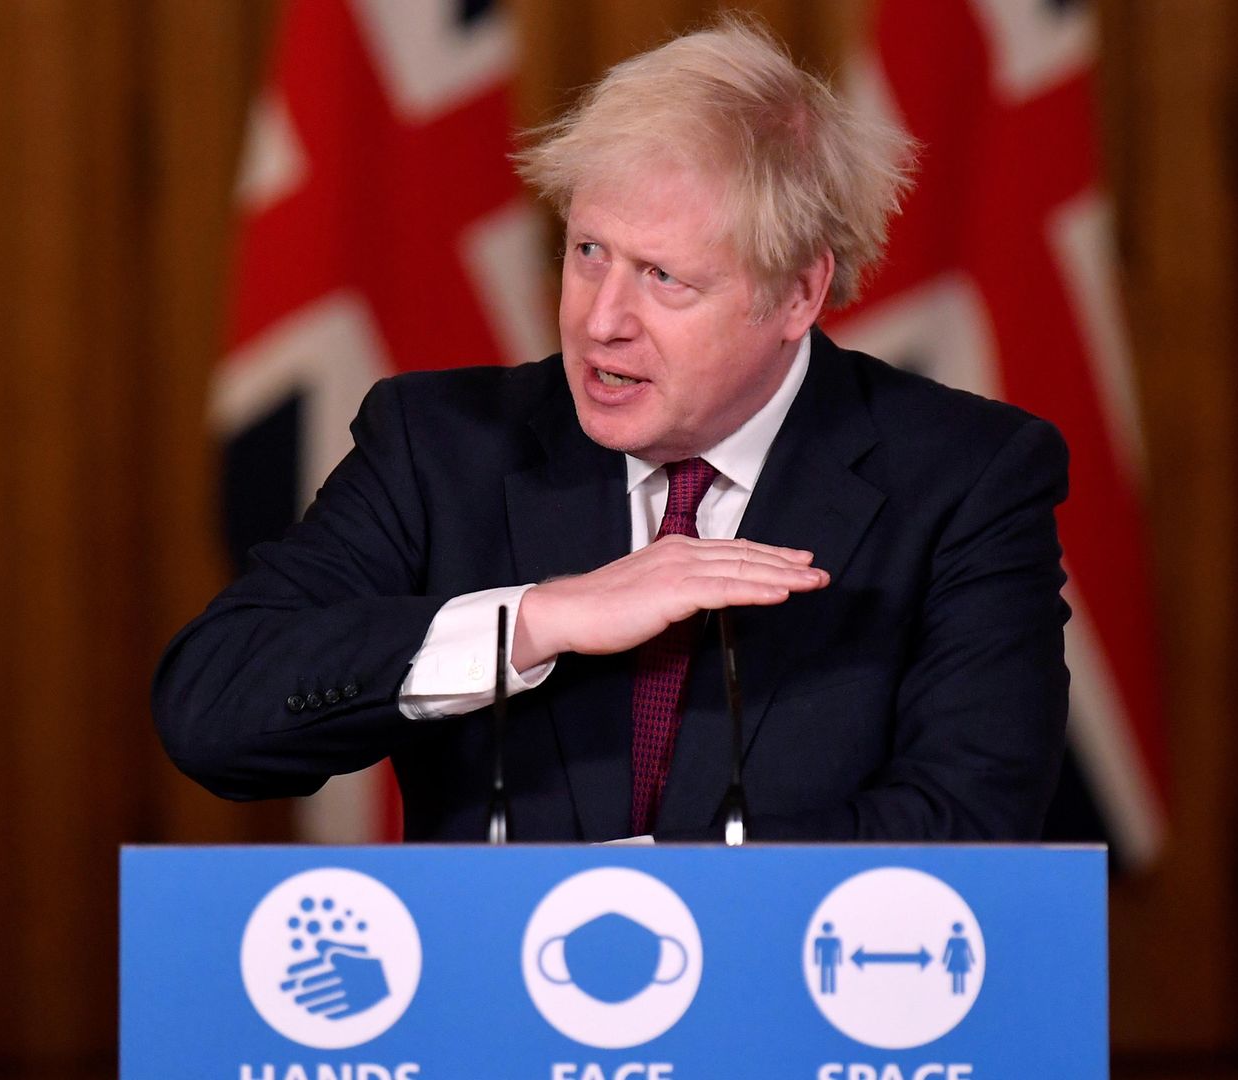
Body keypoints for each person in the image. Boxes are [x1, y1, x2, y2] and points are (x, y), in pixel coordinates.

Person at [153, 18, 1070, 842]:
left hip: (794, 1012)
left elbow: (971, 819)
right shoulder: (442, 448)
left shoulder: (965, 479)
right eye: (589, 252)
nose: (602, 320)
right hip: (488, 1014)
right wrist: (533, 619)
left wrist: (647, 903)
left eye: (666, 278)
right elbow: (213, 710)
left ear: (798, 292)